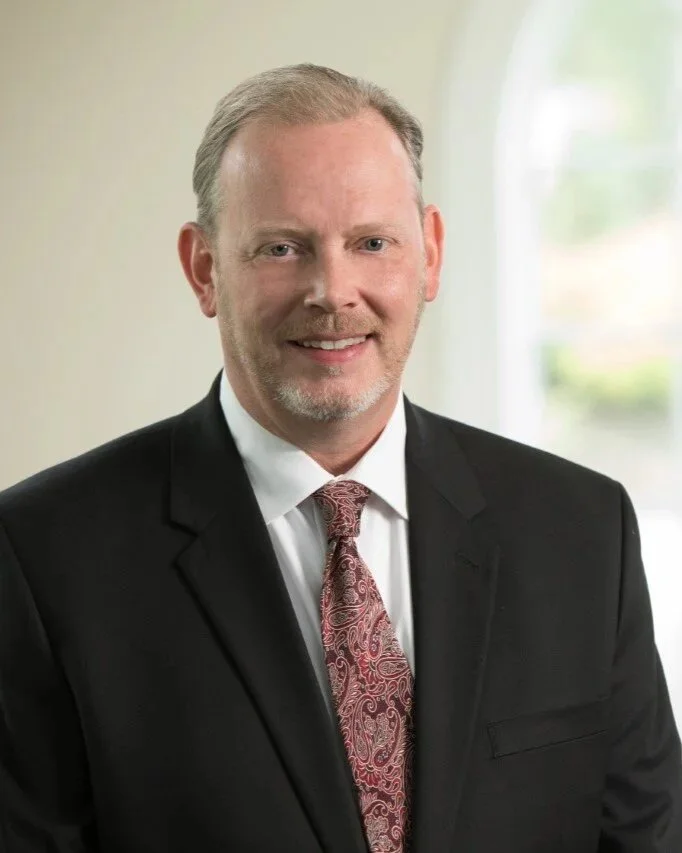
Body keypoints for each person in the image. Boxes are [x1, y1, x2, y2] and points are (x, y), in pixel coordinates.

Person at [0, 62, 680, 853]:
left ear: (428, 252)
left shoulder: (582, 530)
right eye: (282, 248)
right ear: (204, 268)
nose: (333, 289)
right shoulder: (43, 557)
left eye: (371, 241)